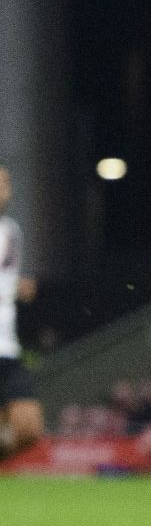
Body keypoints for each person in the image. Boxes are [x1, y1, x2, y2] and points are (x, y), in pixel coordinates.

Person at [0, 166, 45, 466]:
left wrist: (16, 287)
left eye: (7, 182)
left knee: (29, 426)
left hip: (6, 344)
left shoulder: (11, 230)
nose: (5, 188)